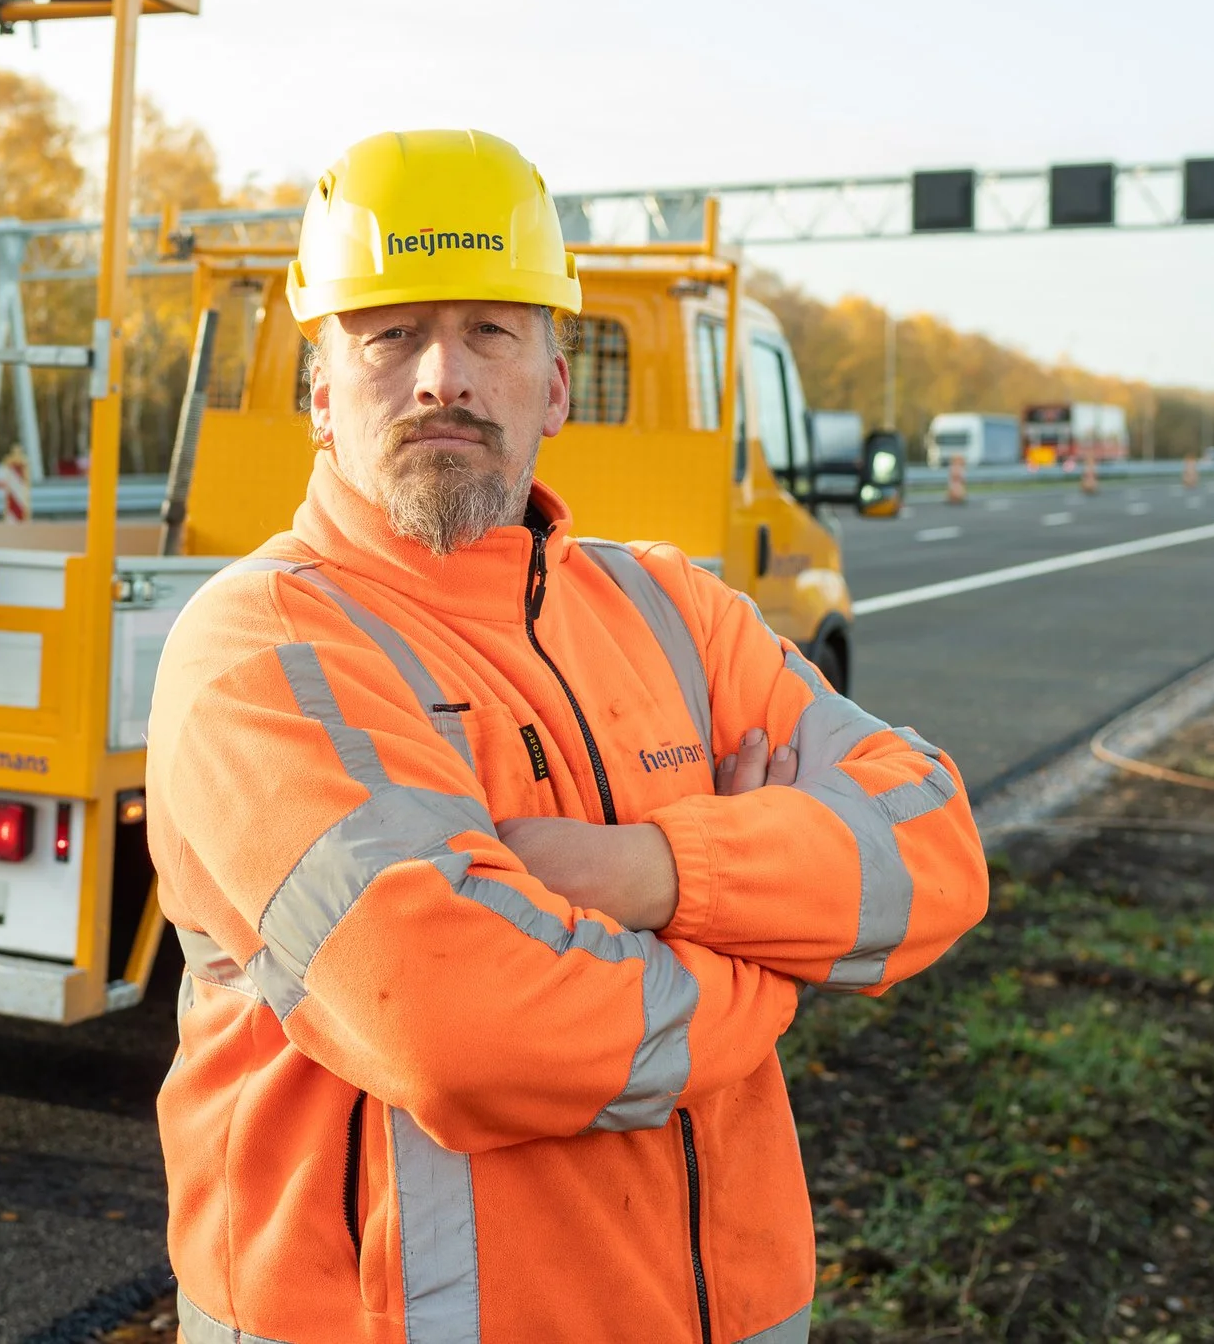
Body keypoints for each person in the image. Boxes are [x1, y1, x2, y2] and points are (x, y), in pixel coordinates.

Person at [146, 131, 988, 1344]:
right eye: (389, 334)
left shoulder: (672, 611)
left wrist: (662, 874)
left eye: (493, 330)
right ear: (321, 394)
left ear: (554, 382)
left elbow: (939, 847)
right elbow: (463, 1031)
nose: (444, 375)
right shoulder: (266, 649)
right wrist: (773, 960)